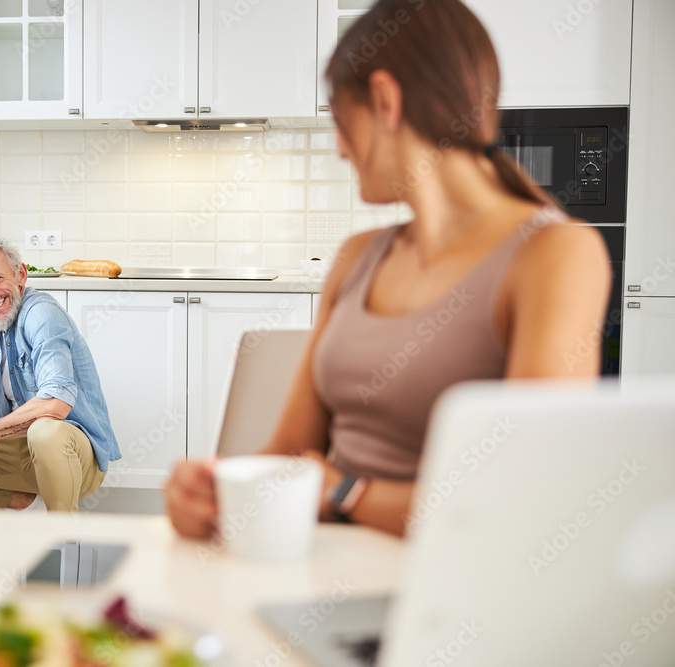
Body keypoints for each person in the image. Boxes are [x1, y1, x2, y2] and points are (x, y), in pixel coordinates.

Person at [165, 0, 611, 538]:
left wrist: (345, 492)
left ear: (384, 100)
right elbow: (288, 456)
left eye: (340, 120)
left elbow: (522, 501)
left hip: (449, 599)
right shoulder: (358, 257)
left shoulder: (556, 253)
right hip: (318, 574)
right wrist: (214, 493)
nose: (339, 150)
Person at [0, 235, 121, 512]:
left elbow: (57, 402)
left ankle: (62, 532)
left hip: (74, 456)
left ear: (21, 275)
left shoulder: (41, 314)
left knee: (45, 432)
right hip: (18, 453)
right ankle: (21, 501)